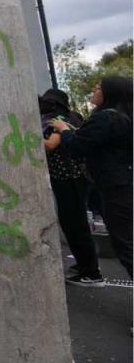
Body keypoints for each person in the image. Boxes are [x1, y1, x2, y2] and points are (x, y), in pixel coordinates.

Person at [45, 76, 133, 278]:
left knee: (126, 246)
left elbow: (76, 148)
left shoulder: (105, 118)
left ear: (110, 93)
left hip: (115, 186)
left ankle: (90, 273)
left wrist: (65, 130)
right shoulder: (123, 117)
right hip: (122, 183)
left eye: (99, 87)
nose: (95, 89)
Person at [38, 89, 103, 286]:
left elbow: (51, 145)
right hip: (70, 178)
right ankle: (85, 265)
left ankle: (91, 272)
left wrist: (25, 137)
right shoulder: (69, 116)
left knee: (74, 224)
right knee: (73, 223)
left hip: (70, 178)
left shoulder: (59, 118)